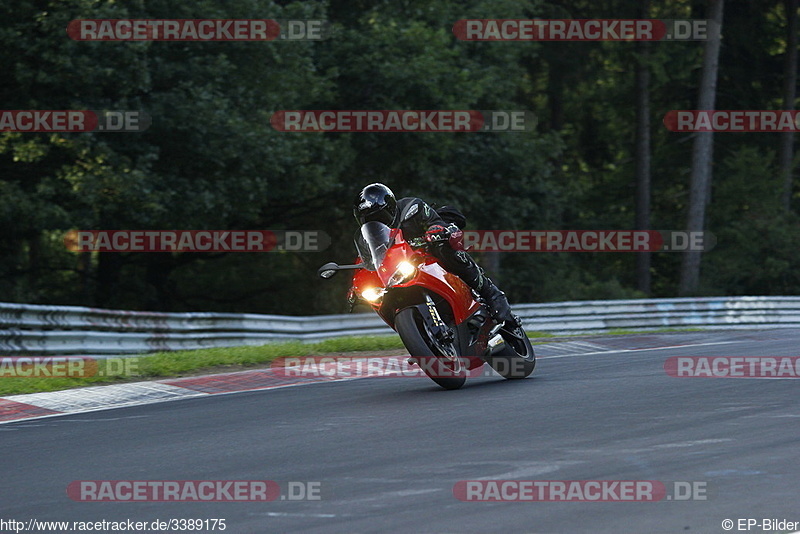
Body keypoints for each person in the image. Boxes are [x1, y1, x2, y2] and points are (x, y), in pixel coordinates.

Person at [353, 182, 518, 324]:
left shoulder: (412, 208)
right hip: (401, 270)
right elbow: (368, 260)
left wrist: (435, 230)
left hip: (429, 251)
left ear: (389, 207)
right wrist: (357, 285)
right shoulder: (365, 238)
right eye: (368, 220)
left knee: (447, 249)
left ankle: (491, 293)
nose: (376, 222)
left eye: (379, 216)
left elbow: (434, 221)